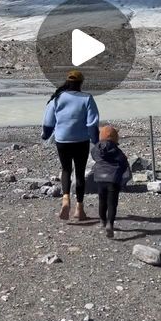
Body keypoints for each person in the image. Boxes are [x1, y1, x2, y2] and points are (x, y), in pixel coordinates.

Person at [42, 70, 99, 221]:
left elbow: (48, 122)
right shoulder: (87, 98)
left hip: (62, 140)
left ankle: (65, 198)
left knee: (66, 169)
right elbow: (92, 123)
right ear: (81, 83)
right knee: (79, 173)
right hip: (81, 140)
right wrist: (95, 139)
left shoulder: (57, 98)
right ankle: (79, 209)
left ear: (67, 82)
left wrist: (45, 135)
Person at [91, 125, 130, 238]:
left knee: (102, 201)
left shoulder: (96, 148)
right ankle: (110, 224)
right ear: (115, 138)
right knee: (112, 204)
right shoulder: (117, 150)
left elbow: (94, 156)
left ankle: (102, 220)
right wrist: (120, 174)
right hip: (113, 180)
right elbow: (123, 163)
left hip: (99, 178)